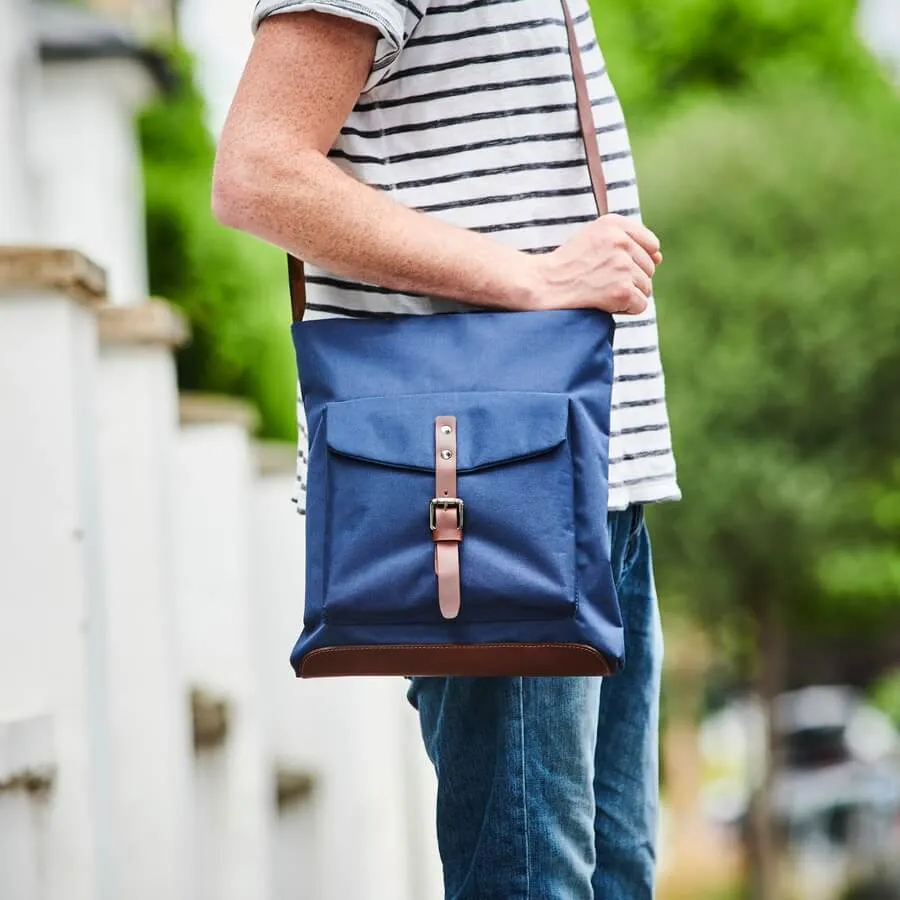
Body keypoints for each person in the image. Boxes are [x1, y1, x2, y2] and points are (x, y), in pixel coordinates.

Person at [213, 0, 679, 896]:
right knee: (530, 880)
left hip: (596, 474)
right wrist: (533, 276)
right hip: (494, 485)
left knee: (613, 876)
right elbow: (256, 171)